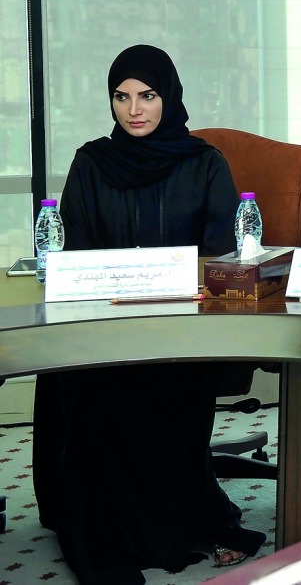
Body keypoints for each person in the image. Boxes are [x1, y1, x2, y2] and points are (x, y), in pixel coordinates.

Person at [33, 44, 265, 583]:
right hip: (107, 334)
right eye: (122, 96)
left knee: (161, 391)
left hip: (182, 336)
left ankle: (170, 518)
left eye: (148, 95)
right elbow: (75, 253)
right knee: (97, 389)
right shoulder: (91, 162)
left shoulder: (204, 162)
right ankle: (107, 525)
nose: (134, 109)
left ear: (170, 97)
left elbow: (220, 254)